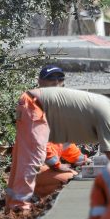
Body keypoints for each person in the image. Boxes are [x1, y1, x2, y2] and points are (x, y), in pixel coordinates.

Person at [5, 87, 110, 212]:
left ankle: (11, 205)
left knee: (21, 159)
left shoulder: (107, 110)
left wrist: (83, 160)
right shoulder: (108, 115)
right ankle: (19, 207)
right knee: (33, 159)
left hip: (33, 105)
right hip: (35, 107)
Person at [32, 65, 90, 199]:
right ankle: (34, 196)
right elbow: (40, 144)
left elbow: (64, 144)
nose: (56, 82)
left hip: (45, 168)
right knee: (73, 181)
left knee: (80, 177)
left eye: (60, 78)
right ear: (40, 82)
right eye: (51, 79)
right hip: (34, 170)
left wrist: (82, 160)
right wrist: (57, 166)